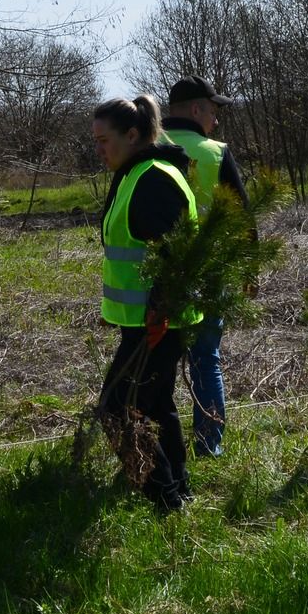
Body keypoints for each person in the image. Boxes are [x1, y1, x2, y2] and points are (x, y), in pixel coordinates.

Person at [92, 94, 201, 511]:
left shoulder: (152, 179)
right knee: (156, 406)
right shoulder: (135, 173)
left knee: (117, 410)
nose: (99, 150)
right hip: (146, 322)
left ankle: (164, 498)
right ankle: (178, 488)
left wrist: (158, 309)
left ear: (132, 135)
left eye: (104, 140)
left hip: (158, 324)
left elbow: (175, 255)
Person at [162, 75, 251, 457]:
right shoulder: (215, 152)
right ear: (196, 110)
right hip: (212, 273)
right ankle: (208, 447)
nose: (215, 121)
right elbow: (244, 216)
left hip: (157, 274)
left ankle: (156, 451)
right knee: (205, 359)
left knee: (157, 367)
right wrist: (250, 269)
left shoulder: (146, 147)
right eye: (213, 112)